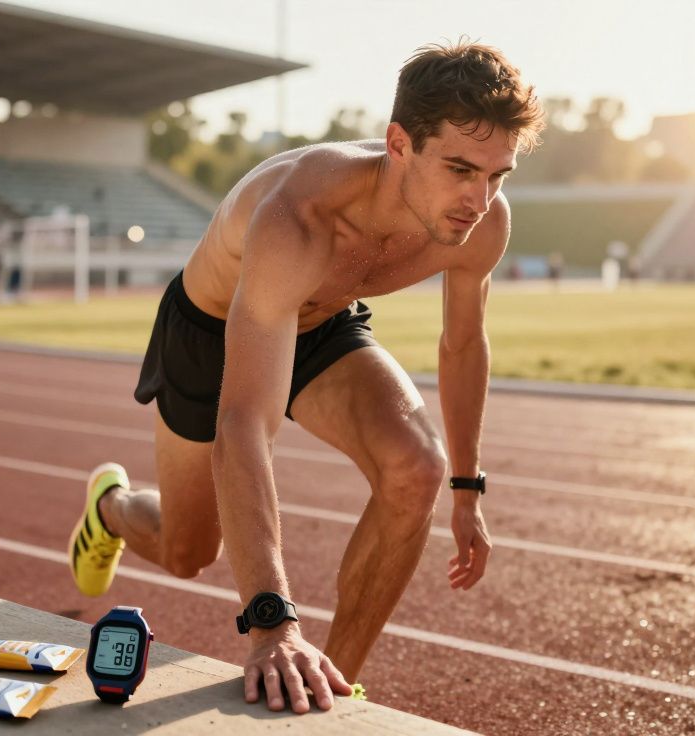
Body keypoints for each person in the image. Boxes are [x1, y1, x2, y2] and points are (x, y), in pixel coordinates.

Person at [67, 41, 544, 715]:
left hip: (324, 321)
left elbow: (463, 343)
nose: (479, 197)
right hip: (214, 325)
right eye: (461, 169)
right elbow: (244, 426)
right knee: (188, 551)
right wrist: (271, 624)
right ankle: (112, 508)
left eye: (498, 174)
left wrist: (468, 489)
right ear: (399, 144)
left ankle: (331, 688)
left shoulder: (484, 222)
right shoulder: (299, 216)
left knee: (416, 468)